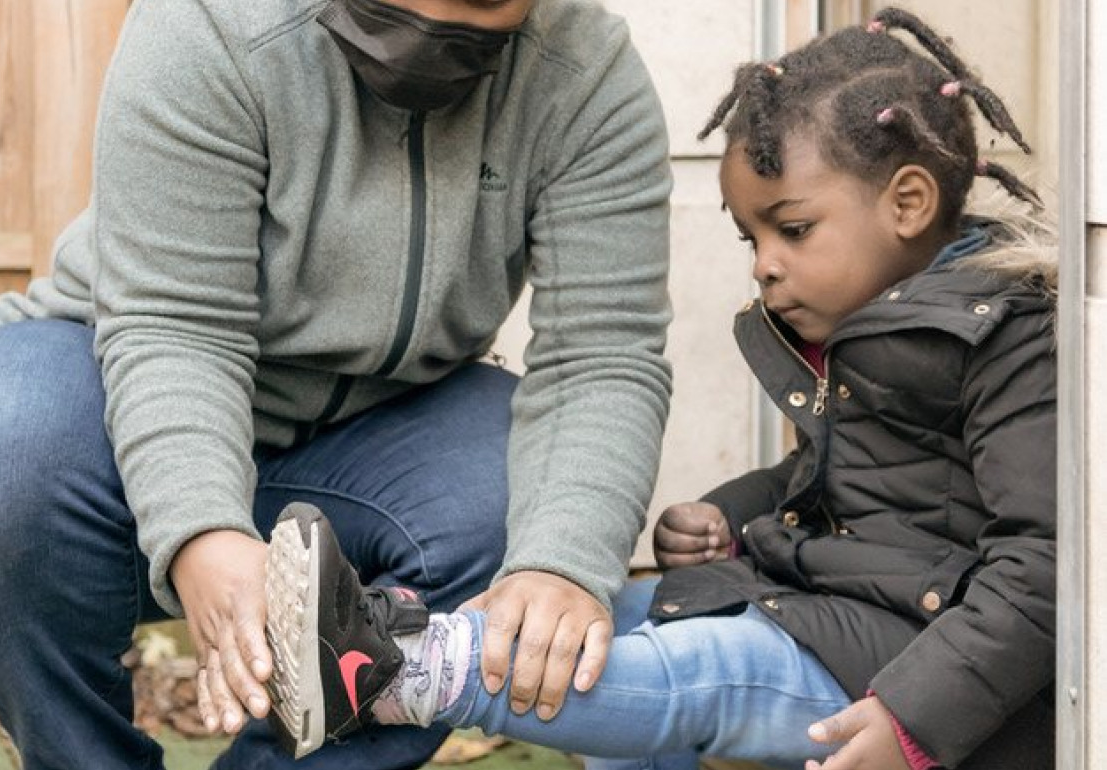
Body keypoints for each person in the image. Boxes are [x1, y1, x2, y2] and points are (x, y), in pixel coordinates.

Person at [260, 8, 1057, 770]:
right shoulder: (865, 326)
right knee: (613, 626)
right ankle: (409, 644)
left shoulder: (1006, 337)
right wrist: (732, 519)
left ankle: (400, 669)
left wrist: (916, 717)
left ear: (908, 203)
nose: (763, 264)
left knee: (688, 672)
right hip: (836, 615)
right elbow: (841, 479)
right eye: (752, 238)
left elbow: (1044, 565)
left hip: (912, 672)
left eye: (794, 229)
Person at [0, 0, 675, 767]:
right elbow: (177, 323)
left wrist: (559, 563)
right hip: (125, 411)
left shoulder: (586, 73)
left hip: (378, 441)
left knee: (516, 500)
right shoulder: (211, 24)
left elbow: (604, 354)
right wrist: (201, 530)